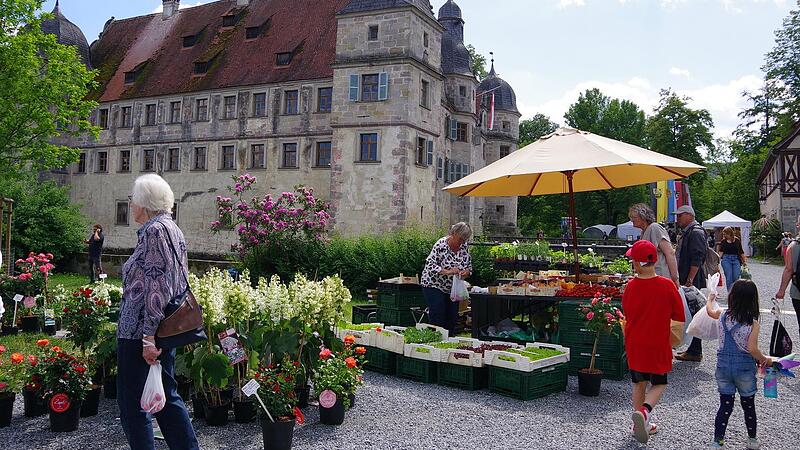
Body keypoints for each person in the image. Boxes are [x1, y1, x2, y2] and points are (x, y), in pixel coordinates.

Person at [117, 174, 199, 450]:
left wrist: (147, 338)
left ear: (144, 202)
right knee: (166, 398)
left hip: (141, 332)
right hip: (164, 328)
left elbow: (157, 286)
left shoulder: (154, 231)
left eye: (133, 199)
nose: (131, 204)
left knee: (133, 404)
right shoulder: (171, 228)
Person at [622, 240, 685, 444]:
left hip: (635, 343)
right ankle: (645, 412)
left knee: (638, 382)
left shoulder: (631, 286)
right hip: (658, 342)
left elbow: (628, 313)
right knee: (659, 383)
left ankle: (639, 423)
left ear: (637, 264)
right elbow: (679, 315)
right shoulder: (666, 286)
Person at [706, 280, 773, 450]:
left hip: (723, 368)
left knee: (725, 405)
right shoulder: (753, 323)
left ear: (732, 297)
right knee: (748, 405)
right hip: (744, 370)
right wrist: (766, 359)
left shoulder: (722, 314)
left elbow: (710, 311)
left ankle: (717, 441)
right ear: (753, 300)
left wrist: (710, 298)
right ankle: (752, 439)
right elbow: (752, 349)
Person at [420, 222, 473, 334]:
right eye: (460, 239)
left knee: (452, 317)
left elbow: (469, 267)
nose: (461, 243)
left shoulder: (464, 247)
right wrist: (448, 272)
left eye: (464, 240)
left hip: (452, 288)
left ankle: (449, 341)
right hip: (433, 284)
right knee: (438, 314)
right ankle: (435, 340)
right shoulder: (440, 245)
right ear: (453, 233)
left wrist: (466, 272)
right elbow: (430, 266)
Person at [674, 205, 707, 362]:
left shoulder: (695, 232)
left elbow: (697, 257)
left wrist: (690, 280)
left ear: (689, 215)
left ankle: (695, 350)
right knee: (691, 314)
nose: (677, 218)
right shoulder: (689, 232)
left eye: (680, 216)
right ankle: (693, 349)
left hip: (691, 280)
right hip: (688, 278)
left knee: (694, 315)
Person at [628, 203, 680, 289]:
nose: (631, 220)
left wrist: (675, 278)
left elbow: (670, 253)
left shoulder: (654, 228)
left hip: (661, 276)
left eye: (634, 217)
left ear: (643, 217)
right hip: (652, 277)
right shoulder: (644, 231)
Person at [775, 216, 800, 333]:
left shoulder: (793, 246)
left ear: (798, 225)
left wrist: (781, 291)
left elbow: (789, 270)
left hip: (798, 291)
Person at [717, 226, 746, 291]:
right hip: (726, 259)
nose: (724, 235)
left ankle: (735, 291)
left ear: (730, 233)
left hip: (736, 259)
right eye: (723, 234)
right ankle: (730, 293)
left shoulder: (737, 240)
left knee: (736, 276)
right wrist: (717, 262)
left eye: (725, 234)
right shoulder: (723, 241)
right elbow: (721, 252)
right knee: (729, 277)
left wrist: (744, 261)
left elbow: (741, 251)